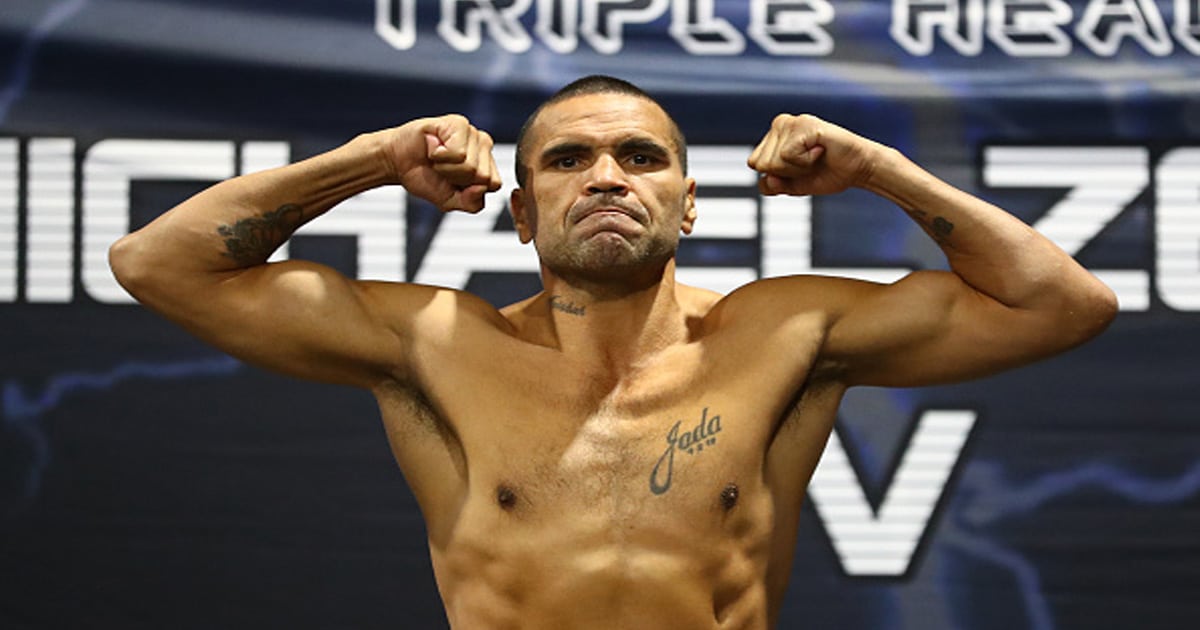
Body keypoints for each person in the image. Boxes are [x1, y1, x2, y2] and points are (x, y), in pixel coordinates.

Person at [108, 75, 1117, 629]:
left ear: (687, 206)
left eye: (641, 159)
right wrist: (378, 158)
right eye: (568, 160)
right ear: (520, 211)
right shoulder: (434, 344)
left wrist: (880, 168)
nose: (605, 177)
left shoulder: (787, 333)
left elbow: (1063, 307)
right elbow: (160, 264)